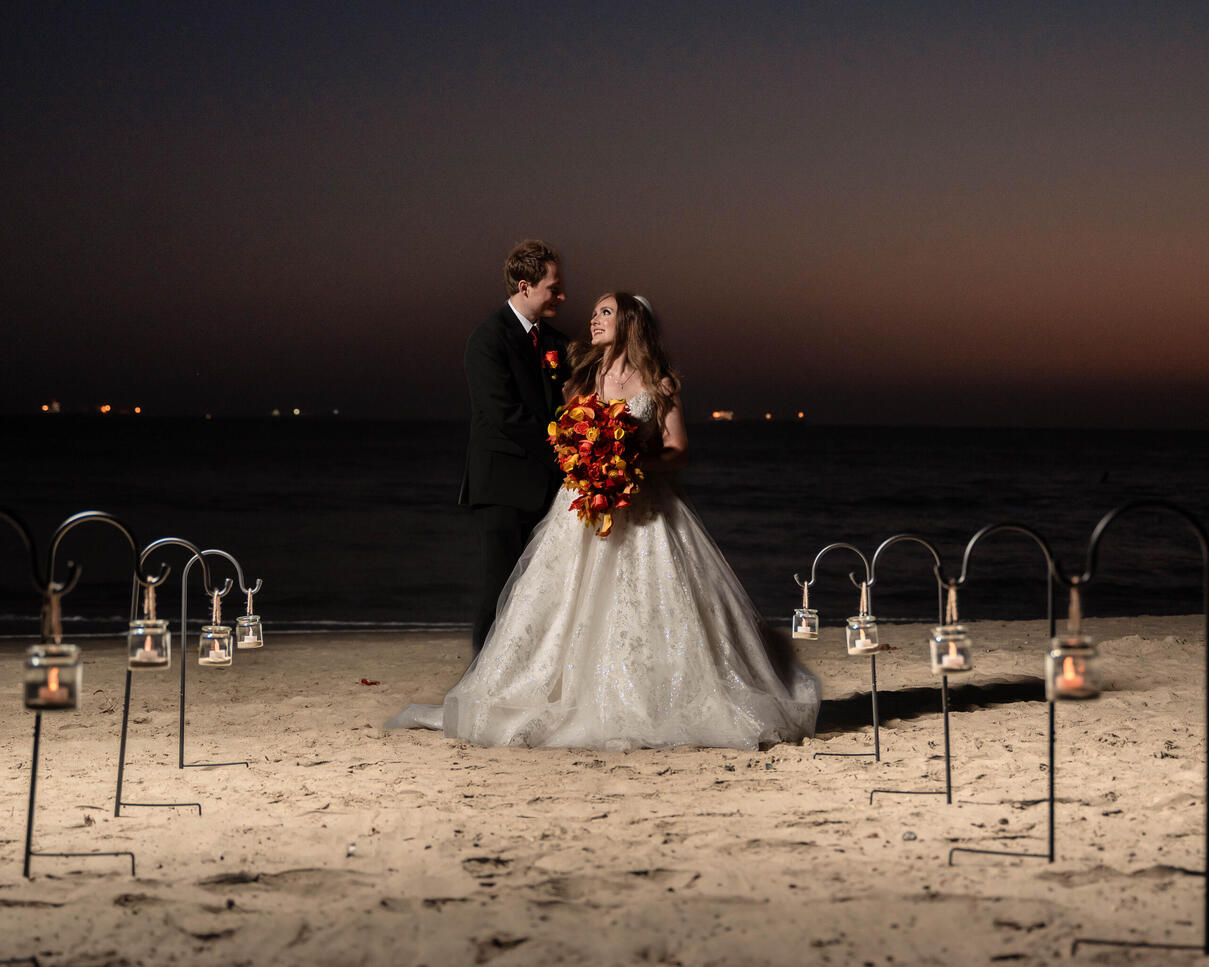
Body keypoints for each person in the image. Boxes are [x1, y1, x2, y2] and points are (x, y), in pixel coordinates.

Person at [389, 293, 819, 749]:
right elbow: (567, 440)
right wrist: (588, 461)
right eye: (594, 313)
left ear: (630, 322)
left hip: (646, 507)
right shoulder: (582, 379)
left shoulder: (660, 383)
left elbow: (679, 451)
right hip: (583, 507)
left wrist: (629, 461)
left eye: (605, 312)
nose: (594, 319)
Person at [460, 240, 570, 656]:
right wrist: (566, 450)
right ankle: (481, 684)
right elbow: (504, 414)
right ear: (525, 286)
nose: (561, 296)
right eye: (553, 288)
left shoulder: (558, 342)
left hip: (549, 487)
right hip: (502, 487)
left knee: (540, 590)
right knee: (500, 589)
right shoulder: (487, 340)